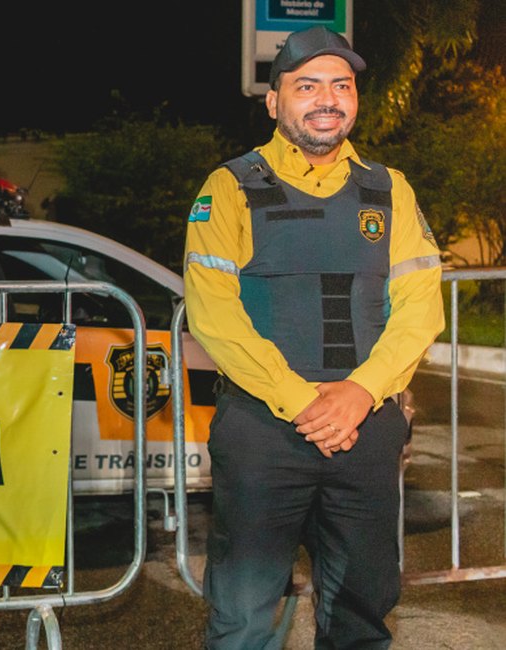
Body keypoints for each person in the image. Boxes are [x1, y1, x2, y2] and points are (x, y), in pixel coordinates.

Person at [182, 25, 444, 648]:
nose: (326, 99)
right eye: (307, 85)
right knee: (246, 614)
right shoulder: (230, 187)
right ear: (274, 102)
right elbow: (213, 312)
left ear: (355, 98)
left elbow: (420, 307)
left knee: (363, 606)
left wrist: (359, 393)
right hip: (263, 430)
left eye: (341, 85)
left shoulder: (390, 189)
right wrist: (304, 403)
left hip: (367, 424)